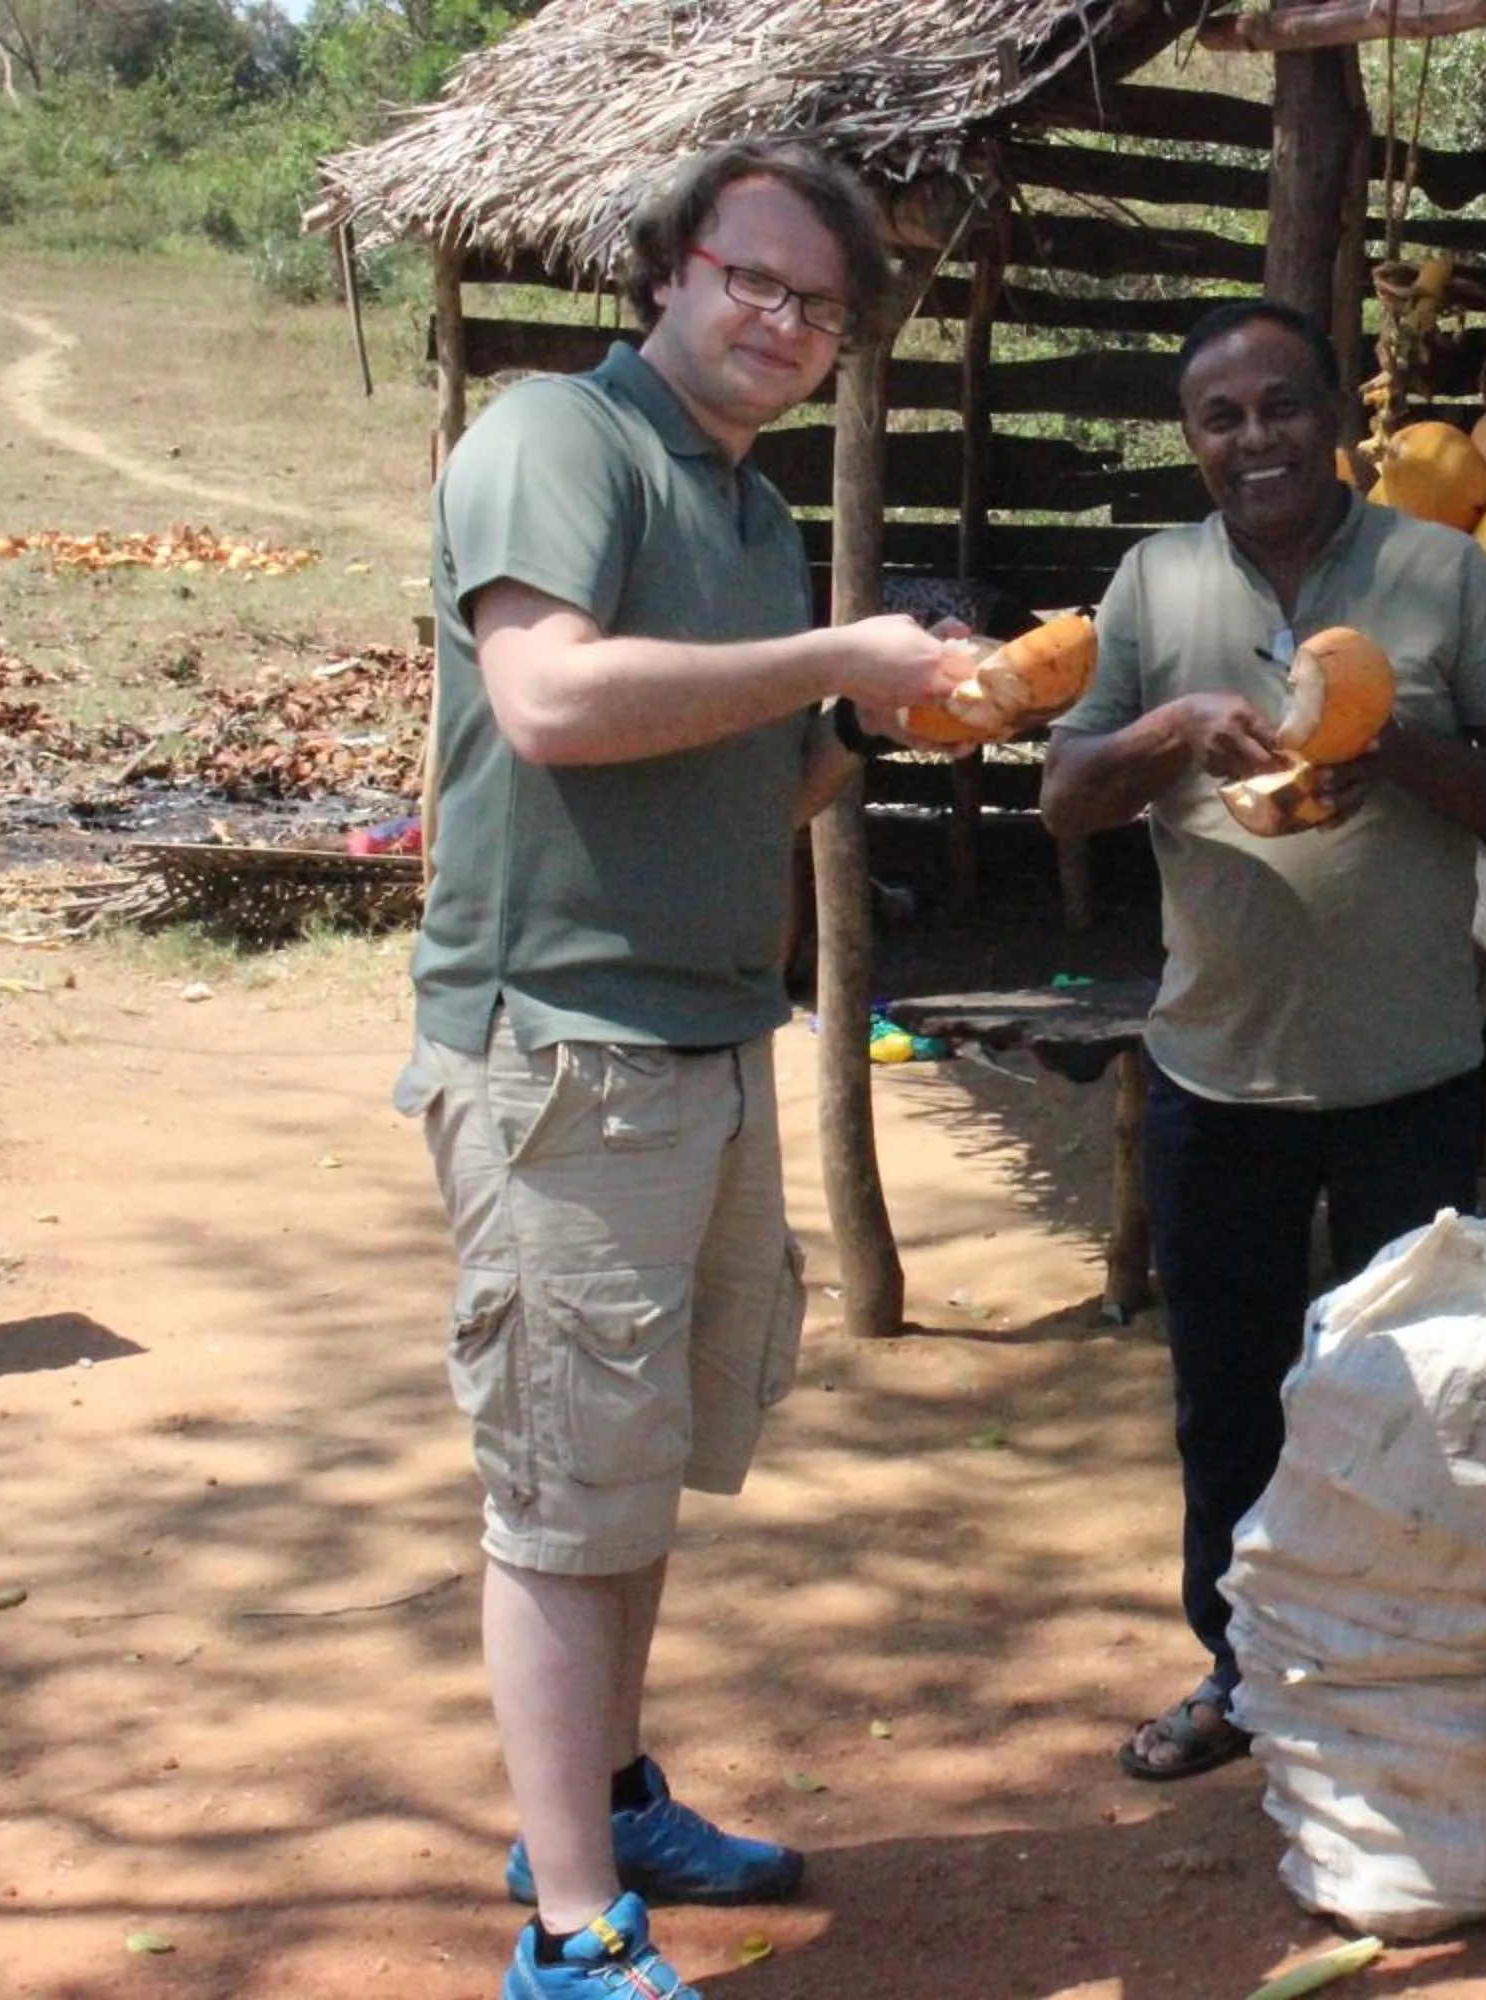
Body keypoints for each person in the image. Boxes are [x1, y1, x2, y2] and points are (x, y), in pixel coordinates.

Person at [393, 139, 970, 2000]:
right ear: (672, 265)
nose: (789, 324)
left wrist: (876, 722)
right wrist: (829, 651)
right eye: (762, 280)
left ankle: (612, 1796)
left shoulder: (745, 505)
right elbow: (550, 701)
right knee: (563, 1496)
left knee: (632, 1475)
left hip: (708, 1040)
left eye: (824, 308)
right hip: (561, 1049)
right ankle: (568, 1933)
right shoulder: (559, 442)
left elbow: (755, 766)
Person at [1039, 300, 1486, 1782]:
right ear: (1192, 441)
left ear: (1337, 413)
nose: (1255, 437)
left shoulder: (1441, 570)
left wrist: (1388, 743)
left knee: (1416, 1403)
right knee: (1228, 1399)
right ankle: (1239, 1671)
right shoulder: (1152, 587)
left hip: (1413, 1072)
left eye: (1282, 405)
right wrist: (1176, 731)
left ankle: (1403, 1684)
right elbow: (1066, 793)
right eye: (1222, 417)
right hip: (1217, 1078)